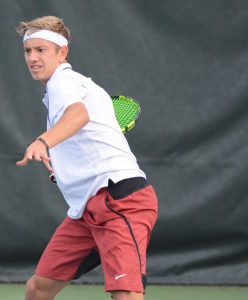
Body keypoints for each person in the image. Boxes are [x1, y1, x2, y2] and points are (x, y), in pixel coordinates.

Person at [15, 16, 159, 300]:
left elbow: (78, 116)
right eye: (28, 51)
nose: (32, 57)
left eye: (41, 50)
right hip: (86, 210)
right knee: (38, 289)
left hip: (121, 200)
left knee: (126, 294)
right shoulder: (75, 88)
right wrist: (62, 168)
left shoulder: (63, 82)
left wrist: (43, 141)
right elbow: (85, 136)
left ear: (62, 52)